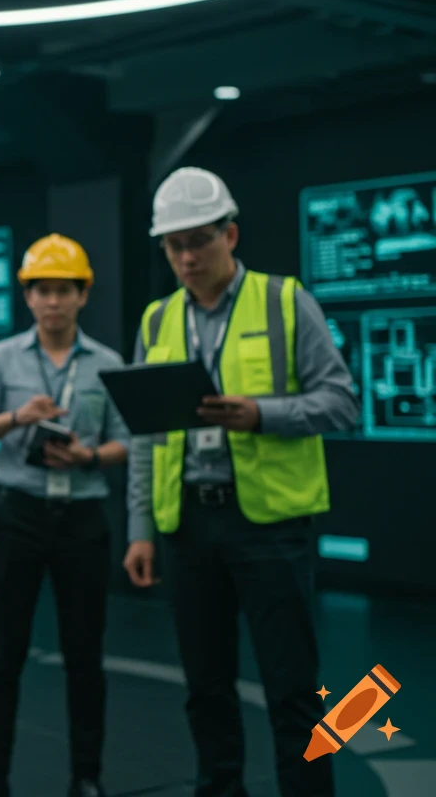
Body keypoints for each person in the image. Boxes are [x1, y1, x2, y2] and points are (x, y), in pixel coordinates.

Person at [123, 167, 358, 797]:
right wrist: (140, 530)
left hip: (270, 527)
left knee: (293, 690)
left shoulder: (285, 301)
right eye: (174, 246)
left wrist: (262, 414)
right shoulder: (155, 321)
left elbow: (342, 401)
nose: (187, 256)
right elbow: (147, 437)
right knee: (205, 689)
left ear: (230, 234)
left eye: (199, 240)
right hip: (188, 527)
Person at [0, 234, 129, 797]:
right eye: (43, 291)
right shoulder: (1, 358)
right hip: (18, 514)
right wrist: (17, 418)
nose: (53, 301)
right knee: (2, 655)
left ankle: (87, 775)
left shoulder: (107, 364)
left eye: (64, 291)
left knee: (85, 656)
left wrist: (87, 456)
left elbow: (127, 444)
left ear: (82, 294)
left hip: (83, 517)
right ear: (28, 296)